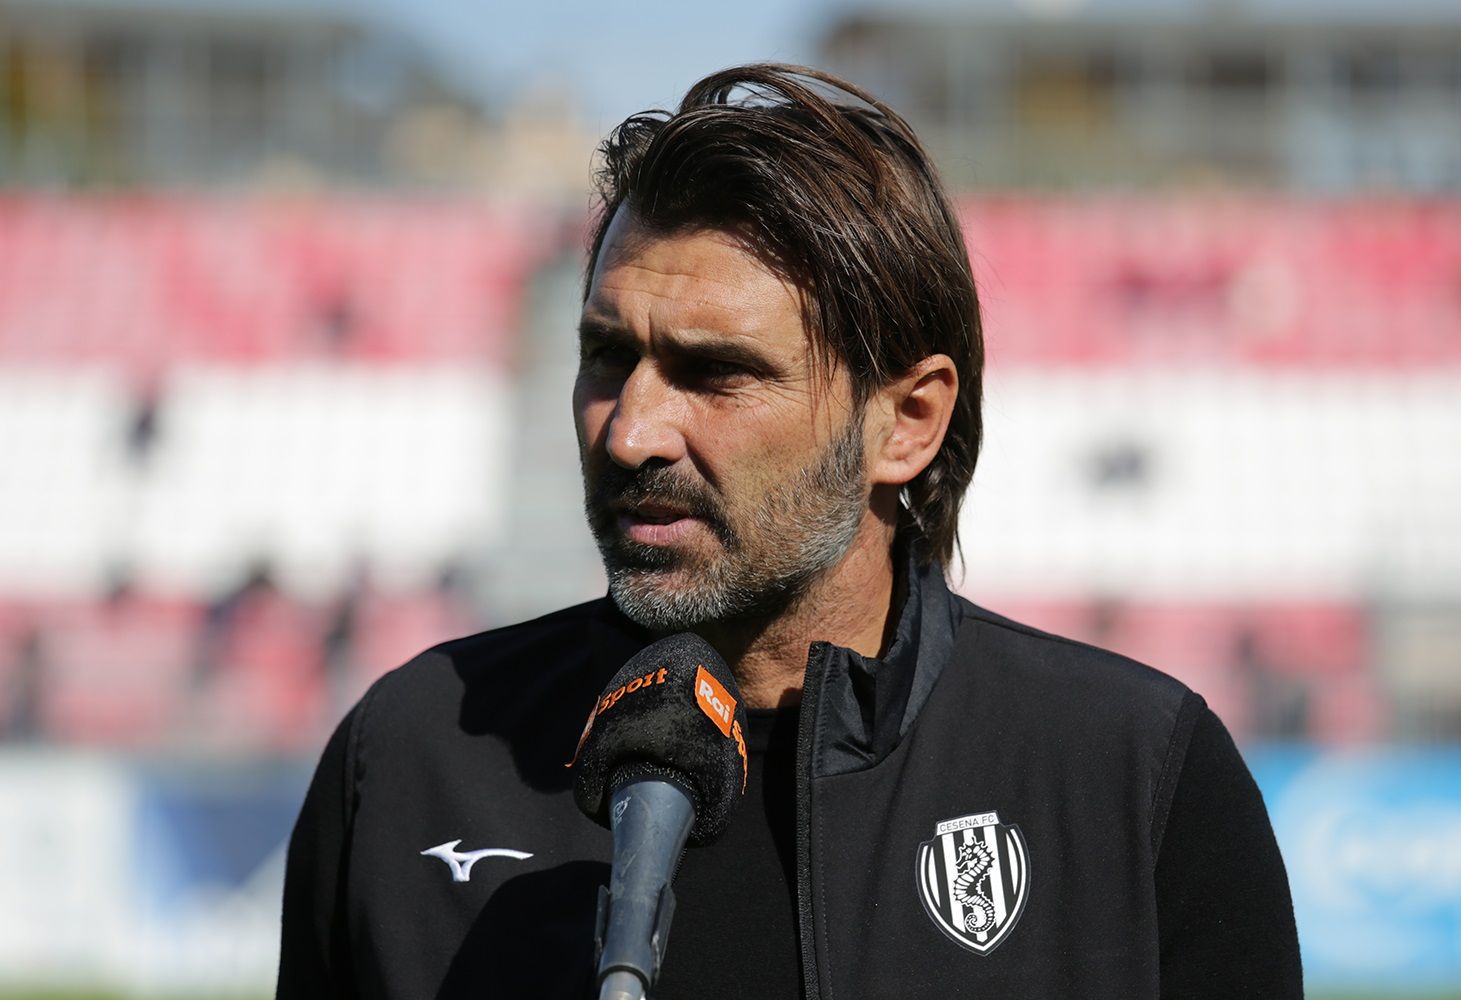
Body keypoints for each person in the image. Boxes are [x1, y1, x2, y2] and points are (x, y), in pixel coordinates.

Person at [276, 64, 1301, 999]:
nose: (631, 431)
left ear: (907, 422)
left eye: (716, 372)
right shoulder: (410, 759)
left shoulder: (1133, 778)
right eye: (607, 357)